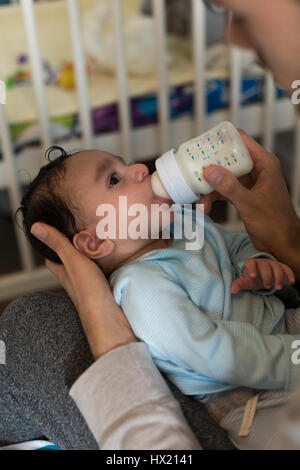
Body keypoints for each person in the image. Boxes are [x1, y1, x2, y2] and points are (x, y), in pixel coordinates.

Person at [2, 0, 300, 450]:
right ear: (96, 239)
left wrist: (258, 261)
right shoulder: (142, 288)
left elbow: (235, 247)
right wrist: (293, 358)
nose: (141, 169)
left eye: (126, 164)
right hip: (250, 398)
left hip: (279, 332)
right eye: (116, 179)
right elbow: (214, 355)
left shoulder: (182, 225)